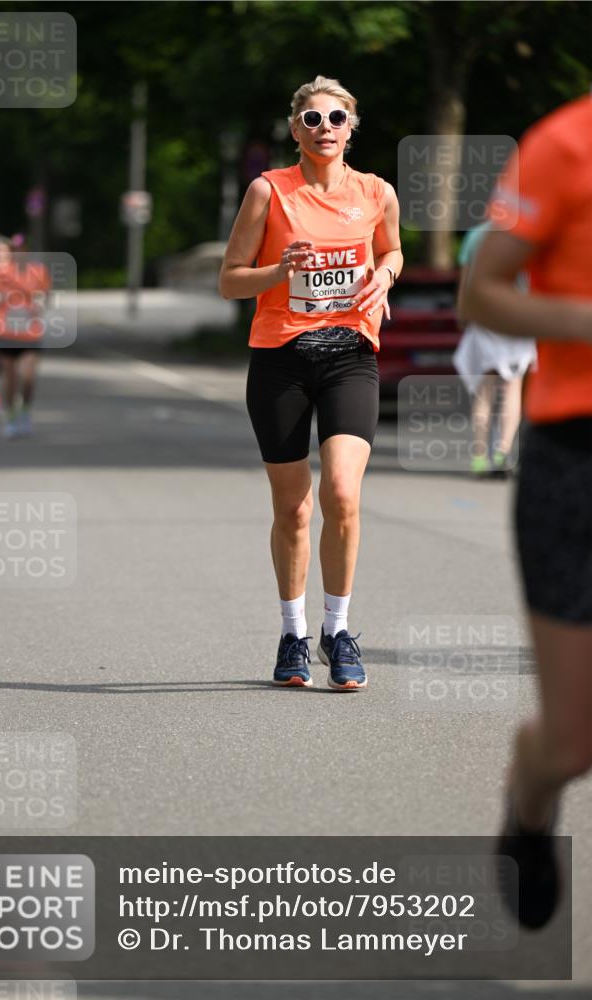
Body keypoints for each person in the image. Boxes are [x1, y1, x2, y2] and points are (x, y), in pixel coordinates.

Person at [219, 76, 402, 691]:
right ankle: (293, 633)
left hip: (350, 355)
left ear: (352, 129)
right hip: (281, 360)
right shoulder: (269, 191)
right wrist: (279, 269)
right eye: (312, 119)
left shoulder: (376, 192)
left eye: (336, 119)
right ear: (295, 129)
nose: (325, 128)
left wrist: (384, 272)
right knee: (294, 508)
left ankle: (339, 630)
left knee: (343, 496)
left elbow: (394, 251)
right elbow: (230, 281)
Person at [462, 94, 592, 928]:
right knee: (574, 740)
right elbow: (482, 292)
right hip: (575, 460)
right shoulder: (567, 142)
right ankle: (530, 795)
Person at [454, 220, 536, 477]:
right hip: (517, 316)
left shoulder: (477, 235)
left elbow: (466, 280)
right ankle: (503, 453)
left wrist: (462, 310)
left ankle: (479, 457)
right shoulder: (526, 233)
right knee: (512, 387)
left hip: (484, 318)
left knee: (483, 390)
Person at [0, 235, 50, 438]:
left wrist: (37, 304)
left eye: (20, 249)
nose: (17, 253)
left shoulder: (37, 271)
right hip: (5, 332)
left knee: (28, 376)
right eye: (13, 250)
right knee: (10, 377)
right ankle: (11, 416)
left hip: (29, 332)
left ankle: (25, 412)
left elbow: (44, 297)